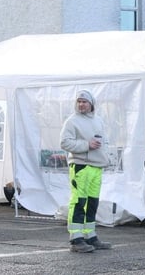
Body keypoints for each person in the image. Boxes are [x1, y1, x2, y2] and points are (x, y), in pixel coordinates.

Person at [59, 90, 113, 253]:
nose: (81, 104)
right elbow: (64, 143)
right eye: (79, 102)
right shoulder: (71, 121)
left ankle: (90, 235)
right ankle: (76, 238)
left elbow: (104, 142)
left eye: (84, 102)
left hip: (96, 167)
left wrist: (108, 159)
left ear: (91, 104)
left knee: (92, 203)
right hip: (80, 166)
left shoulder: (98, 121)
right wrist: (86, 145)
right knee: (79, 201)